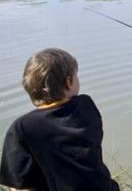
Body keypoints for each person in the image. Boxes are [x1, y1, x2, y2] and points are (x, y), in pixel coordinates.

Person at [0, 48, 120, 191]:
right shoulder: (86, 107)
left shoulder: (23, 127)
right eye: (76, 76)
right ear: (69, 82)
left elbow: (19, 185)